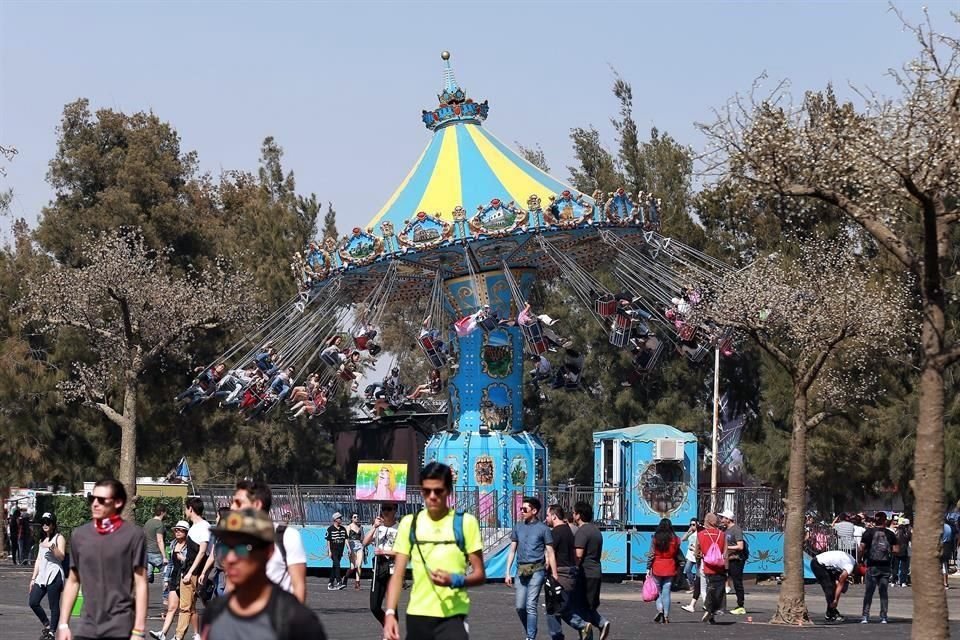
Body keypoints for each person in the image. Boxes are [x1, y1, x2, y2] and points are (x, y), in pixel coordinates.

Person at [383, 462, 485, 640]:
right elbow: (397, 575)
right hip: (418, 614)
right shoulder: (410, 523)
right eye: (426, 491)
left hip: (453, 615)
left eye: (438, 491)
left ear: (449, 491)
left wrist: (455, 579)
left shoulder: (465, 523)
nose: (432, 496)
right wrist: (390, 613)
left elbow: (480, 574)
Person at [199, 508, 326, 639]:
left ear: (268, 552)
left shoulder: (296, 620)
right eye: (225, 548)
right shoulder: (214, 612)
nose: (230, 558)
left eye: (241, 549)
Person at [56, 479, 147, 640]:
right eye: (92, 499)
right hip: (87, 628)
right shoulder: (80, 535)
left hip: (120, 627)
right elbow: (73, 580)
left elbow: (141, 583)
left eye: (102, 500)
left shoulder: (133, 536)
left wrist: (138, 630)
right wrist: (63, 624)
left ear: (118, 502)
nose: (95, 504)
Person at [231, 480, 308, 603]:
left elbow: (299, 587)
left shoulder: (288, 536)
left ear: (256, 505)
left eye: (238, 503)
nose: (232, 507)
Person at [505, 496, 557, 640]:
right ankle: (530, 629)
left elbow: (550, 552)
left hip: (537, 570)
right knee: (520, 607)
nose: (521, 511)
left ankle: (530, 637)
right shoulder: (518, 527)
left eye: (525, 509)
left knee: (531, 605)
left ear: (534, 511)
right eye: (521, 508)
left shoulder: (544, 529)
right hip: (521, 570)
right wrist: (507, 572)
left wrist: (554, 573)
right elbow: (512, 550)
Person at [544, 505, 593, 640]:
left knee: (554, 608)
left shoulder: (556, 533)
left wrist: (548, 569)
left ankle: (580, 625)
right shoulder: (568, 530)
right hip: (569, 573)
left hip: (560, 574)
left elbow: (550, 554)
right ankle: (577, 627)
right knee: (561, 607)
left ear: (554, 516)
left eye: (548, 515)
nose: (546, 518)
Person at [573, 501, 611, 640]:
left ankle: (600, 623)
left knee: (581, 606)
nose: (573, 515)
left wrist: (574, 570)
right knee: (588, 605)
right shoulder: (596, 531)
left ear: (579, 515)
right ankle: (598, 625)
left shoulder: (582, 531)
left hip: (585, 573)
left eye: (574, 512)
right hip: (596, 571)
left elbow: (578, 555)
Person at [175, 497, 211, 640]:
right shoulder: (195, 527)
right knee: (187, 606)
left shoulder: (203, 526)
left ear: (190, 509)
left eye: (186, 508)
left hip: (195, 572)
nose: (185, 511)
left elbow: (202, 552)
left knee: (194, 605)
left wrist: (190, 572)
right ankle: (178, 636)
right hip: (190, 570)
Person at [29, 512, 66, 640]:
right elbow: (39, 559)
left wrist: (52, 547)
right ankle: (47, 624)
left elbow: (61, 557)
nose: (45, 525)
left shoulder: (59, 538)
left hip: (54, 574)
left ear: (53, 524)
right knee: (33, 602)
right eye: (43, 522)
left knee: (53, 605)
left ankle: (52, 632)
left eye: (48, 522)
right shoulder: (41, 540)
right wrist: (33, 578)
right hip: (42, 575)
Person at [150, 521, 190, 640]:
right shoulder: (173, 544)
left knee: (187, 609)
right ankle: (162, 633)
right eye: (176, 530)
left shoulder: (189, 546)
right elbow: (171, 564)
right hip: (174, 577)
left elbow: (190, 562)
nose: (177, 532)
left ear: (186, 532)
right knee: (172, 607)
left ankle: (188, 634)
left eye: (180, 530)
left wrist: (182, 558)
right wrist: (166, 579)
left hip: (185, 578)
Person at [363, 503, 399, 627]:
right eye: (383, 509)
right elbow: (365, 542)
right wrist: (374, 527)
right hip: (378, 568)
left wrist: (384, 551)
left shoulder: (399, 528)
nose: (385, 512)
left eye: (389, 509)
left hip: (393, 570)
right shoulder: (379, 527)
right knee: (374, 606)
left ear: (395, 510)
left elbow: (402, 552)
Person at [859, 511, 898, 624]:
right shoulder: (890, 534)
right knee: (883, 593)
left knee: (869, 592)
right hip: (885, 566)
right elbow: (896, 550)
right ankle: (884, 617)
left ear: (874, 520)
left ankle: (865, 616)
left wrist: (860, 560)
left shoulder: (868, 533)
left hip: (871, 565)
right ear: (885, 520)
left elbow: (861, 548)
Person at [696, 512, 727, 624]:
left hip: (706, 565)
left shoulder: (701, 534)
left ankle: (708, 609)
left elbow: (697, 551)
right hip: (719, 566)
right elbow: (725, 551)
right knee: (717, 589)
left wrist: (699, 558)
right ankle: (711, 611)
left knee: (708, 587)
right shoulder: (722, 534)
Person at [648, 518, 681, 624]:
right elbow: (677, 554)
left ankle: (660, 609)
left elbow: (651, 554)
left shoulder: (655, 538)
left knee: (657, 591)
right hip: (670, 566)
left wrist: (648, 567)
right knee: (666, 592)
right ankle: (666, 616)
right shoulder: (676, 539)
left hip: (657, 565)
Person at [811, 549, 855, 623]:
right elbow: (841, 584)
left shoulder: (852, 561)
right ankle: (831, 614)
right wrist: (836, 600)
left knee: (834, 588)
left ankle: (831, 612)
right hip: (818, 564)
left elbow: (841, 586)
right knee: (829, 588)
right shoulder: (849, 566)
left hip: (826, 565)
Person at [199, 507, 233, 601]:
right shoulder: (217, 536)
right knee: (217, 594)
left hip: (227, 573)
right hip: (217, 572)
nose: (216, 519)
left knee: (222, 595)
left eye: (217, 516)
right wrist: (203, 572)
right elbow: (212, 556)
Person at [719, 509, 747, 615]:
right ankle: (720, 605)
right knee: (722, 580)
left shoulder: (736, 530)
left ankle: (740, 606)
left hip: (736, 560)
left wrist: (727, 547)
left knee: (737, 583)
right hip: (728, 560)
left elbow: (740, 546)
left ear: (728, 519)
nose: (721, 519)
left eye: (723, 518)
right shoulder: (725, 530)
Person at [144, 504, 169, 586]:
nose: (166, 514)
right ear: (162, 512)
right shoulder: (159, 524)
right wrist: (164, 556)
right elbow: (160, 540)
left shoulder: (147, 522)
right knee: (165, 574)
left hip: (147, 553)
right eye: (166, 512)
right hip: (156, 553)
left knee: (148, 575)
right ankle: (166, 594)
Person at [326, 513, 347, 591]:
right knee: (337, 565)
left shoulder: (343, 529)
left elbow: (346, 539)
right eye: (339, 518)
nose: (341, 519)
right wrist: (329, 551)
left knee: (334, 566)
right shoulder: (330, 529)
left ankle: (330, 582)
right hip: (333, 550)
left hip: (340, 550)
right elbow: (328, 540)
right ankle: (339, 582)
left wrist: (348, 548)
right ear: (335, 519)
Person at [346, 514, 365, 590]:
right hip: (352, 545)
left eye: (357, 517)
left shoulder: (360, 527)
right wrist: (348, 548)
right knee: (353, 567)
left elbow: (362, 538)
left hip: (359, 545)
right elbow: (346, 538)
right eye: (354, 517)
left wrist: (362, 530)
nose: (356, 518)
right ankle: (346, 577)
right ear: (351, 519)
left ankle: (357, 582)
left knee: (359, 565)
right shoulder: (349, 527)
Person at [893, 517, 911, 587]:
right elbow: (908, 539)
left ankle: (894, 581)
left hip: (896, 550)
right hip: (903, 551)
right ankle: (902, 581)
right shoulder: (906, 531)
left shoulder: (897, 530)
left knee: (896, 567)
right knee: (903, 567)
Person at [943, 516, 955, 589]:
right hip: (948, 546)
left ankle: (942, 583)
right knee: (945, 566)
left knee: (940, 566)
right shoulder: (949, 527)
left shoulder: (940, 527)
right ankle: (946, 583)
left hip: (941, 546)